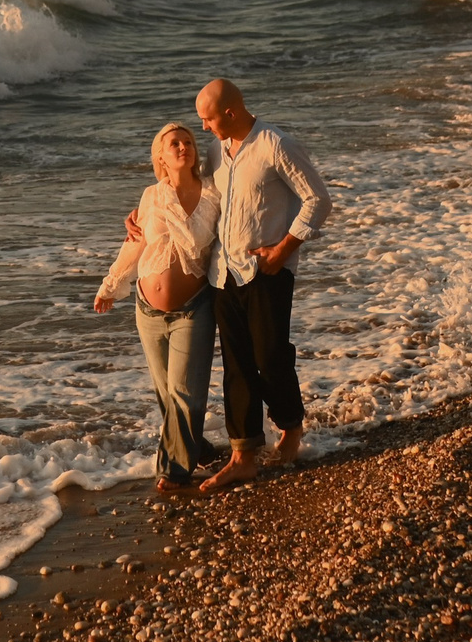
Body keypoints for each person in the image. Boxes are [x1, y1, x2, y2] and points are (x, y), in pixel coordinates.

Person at [192, 78, 332, 490]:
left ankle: (290, 426)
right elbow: (197, 198)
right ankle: (243, 456)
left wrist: (284, 249)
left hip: (266, 270)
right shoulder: (217, 150)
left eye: (208, 118)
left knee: (270, 358)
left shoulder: (276, 144)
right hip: (223, 272)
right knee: (236, 367)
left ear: (230, 113)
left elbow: (318, 200)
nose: (203, 127)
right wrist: (144, 215)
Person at [93, 121, 222, 493]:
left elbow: (215, 238)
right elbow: (135, 244)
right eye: (173, 144)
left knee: (184, 391)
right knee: (166, 393)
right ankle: (199, 449)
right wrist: (111, 284)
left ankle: (173, 472)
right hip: (147, 309)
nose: (183, 147)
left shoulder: (213, 194)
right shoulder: (151, 196)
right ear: (161, 157)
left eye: (188, 142)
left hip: (193, 307)